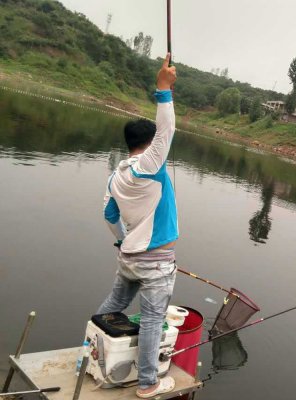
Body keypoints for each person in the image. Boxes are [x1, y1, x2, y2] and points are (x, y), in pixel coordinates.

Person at [97, 54, 178, 398]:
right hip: (156, 263)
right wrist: (163, 88)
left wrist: (122, 242)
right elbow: (167, 131)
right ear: (147, 144)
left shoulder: (118, 175)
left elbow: (109, 216)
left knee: (112, 308)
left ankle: (91, 348)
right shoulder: (149, 166)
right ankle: (148, 383)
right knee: (149, 320)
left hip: (129, 258)